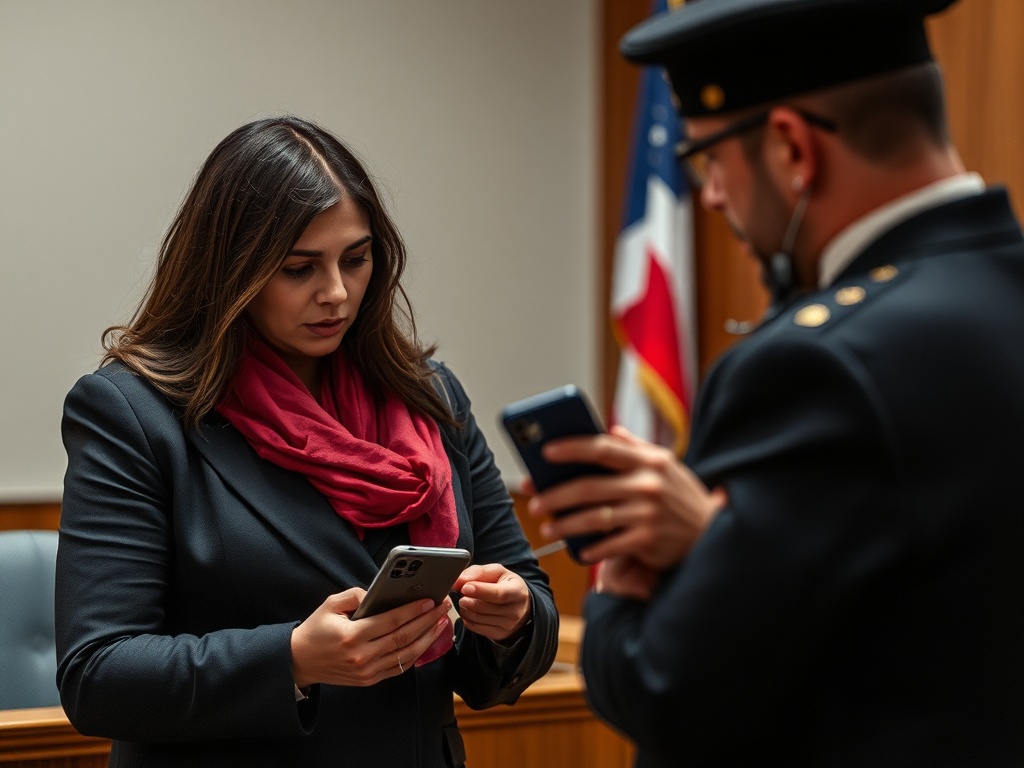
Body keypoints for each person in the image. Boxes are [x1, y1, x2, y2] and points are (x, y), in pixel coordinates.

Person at [526, 1, 1023, 765]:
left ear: (793, 147)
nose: (714, 197)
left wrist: (624, 582)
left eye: (710, 162)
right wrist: (717, 543)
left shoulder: (817, 365)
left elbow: (672, 693)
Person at [56, 115, 558, 767]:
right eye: (299, 268)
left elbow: (528, 596)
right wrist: (292, 658)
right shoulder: (133, 413)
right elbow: (97, 675)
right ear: (230, 270)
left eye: (357, 258)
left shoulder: (429, 394)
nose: (337, 293)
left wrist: (512, 620)